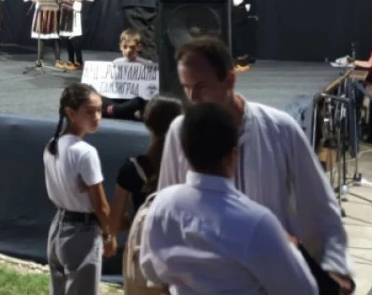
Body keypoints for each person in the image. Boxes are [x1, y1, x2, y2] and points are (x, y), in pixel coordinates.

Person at [157, 38, 354, 294]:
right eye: (186, 87)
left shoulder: (280, 128)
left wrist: (335, 267)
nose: (193, 98)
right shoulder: (179, 132)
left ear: (229, 80)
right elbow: (167, 212)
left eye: (202, 86)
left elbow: (321, 208)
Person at [140, 103, 317, 294]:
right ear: (233, 155)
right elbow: (303, 289)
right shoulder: (258, 222)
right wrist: (289, 246)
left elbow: (150, 270)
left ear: (184, 150)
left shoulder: (162, 205)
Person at [44, 83, 116, 295]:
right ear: (71, 113)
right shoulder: (85, 152)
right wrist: (109, 235)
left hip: (58, 229)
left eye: (100, 110)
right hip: (81, 233)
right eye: (90, 112)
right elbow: (100, 205)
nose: (97, 117)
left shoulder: (52, 145)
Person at [108, 95, 182, 238]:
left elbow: (114, 226)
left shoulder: (132, 168)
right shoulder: (190, 166)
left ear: (147, 123)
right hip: (181, 243)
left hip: (145, 245)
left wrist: (134, 218)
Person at [101, 29, 154, 121]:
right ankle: (121, 111)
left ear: (139, 47)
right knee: (99, 97)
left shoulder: (147, 64)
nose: (128, 50)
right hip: (118, 97)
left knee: (140, 101)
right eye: (125, 47)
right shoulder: (116, 63)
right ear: (120, 47)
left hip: (133, 99)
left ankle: (112, 111)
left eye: (132, 47)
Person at [229, 0, 254, 71]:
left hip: (238, 12)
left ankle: (241, 63)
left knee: (237, 37)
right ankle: (242, 61)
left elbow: (237, 1)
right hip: (243, 12)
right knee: (240, 37)